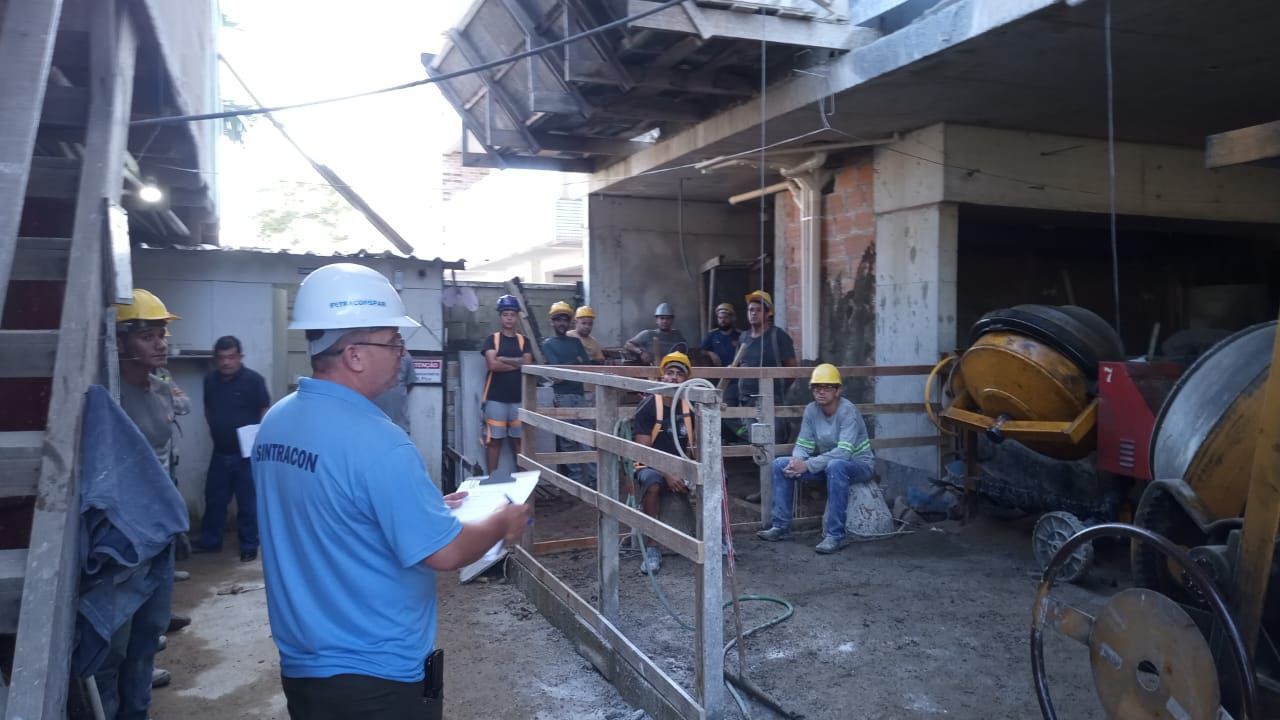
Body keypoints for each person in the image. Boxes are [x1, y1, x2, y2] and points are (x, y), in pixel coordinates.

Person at [253, 263, 532, 719]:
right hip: (376, 676)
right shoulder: (380, 442)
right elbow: (445, 553)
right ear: (355, 355)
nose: (402, 354)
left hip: (302, 666)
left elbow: (328, 509)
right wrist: (503, 521)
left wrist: (421, 508)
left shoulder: (276, 422)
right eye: (393, 341)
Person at [103, 288, 187, 711]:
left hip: (160, 537)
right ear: (120, 342)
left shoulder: (160, 389)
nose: (160, 344)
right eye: (147, 335)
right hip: (124, 541)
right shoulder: (108, 398)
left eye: (161, 335)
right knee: (112, 649)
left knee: (147, 638)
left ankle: (137, 710)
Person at [757, 364, 875, 554]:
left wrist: (808, 465)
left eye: (827, 387)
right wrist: (796, 462)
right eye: (816, 387)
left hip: (858, 465)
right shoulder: (812, 410)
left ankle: (835, 535)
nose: (821, 391)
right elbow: (803, 444)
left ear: (838, 390)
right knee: (780, 464)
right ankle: (781, 526)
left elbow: (844, 452)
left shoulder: (848, 411)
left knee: (836, 465)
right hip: (828, 466)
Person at [193, 335, 271, 562]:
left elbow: (264, 409)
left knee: (247, 501)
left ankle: (249, 545)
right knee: (214, 498)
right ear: (215, 359)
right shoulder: (210, 381)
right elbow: (208, 408)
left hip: (246, 453)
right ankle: (211, 540)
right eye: (221, 358)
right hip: (220, 451)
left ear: (240, 357)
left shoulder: (254, 380)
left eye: (231, 357)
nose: (226, 362)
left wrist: (257, 441)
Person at [629, 351, 696, 574]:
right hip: (651, 466)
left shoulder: (691, 407)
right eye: (669, 372)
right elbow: (643, 451)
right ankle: (652, 548)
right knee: (653, 484)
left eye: (679, 373)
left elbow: (698, 446)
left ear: (686, 379)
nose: (673, 377)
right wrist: (668, 474)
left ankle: (715, 540)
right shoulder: (649, 405)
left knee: (714, 482)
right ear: (662, 376)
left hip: (682, 465)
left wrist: (692, 473)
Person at [541, 301, 597, 488]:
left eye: (565, 319)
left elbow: (586, 366)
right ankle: (576, 482)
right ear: (552, 321)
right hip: (561, 397)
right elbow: (557, 373)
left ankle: (594, 482)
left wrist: (569, 368)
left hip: (579, 395)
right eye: (558, 319)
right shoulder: (548, 344)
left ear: (569, 322)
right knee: (567, 440)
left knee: (587, 438)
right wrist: (574, 365)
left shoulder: (575, 342)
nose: (562, 323)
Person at [731, 290, 797, 443]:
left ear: (768, 314)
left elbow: (792, 370)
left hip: (772, 400)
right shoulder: (744, 337)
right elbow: (738, 365)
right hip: (747, 400)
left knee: (775, 441)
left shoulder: (778, 336)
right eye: (750, 310)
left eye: (758, 310)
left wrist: (778, 388)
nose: (753, 313)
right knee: (755, 443)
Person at [481, 294, 533, 474]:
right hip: (496, 399)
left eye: (512, 314)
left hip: (519, 400)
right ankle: (493, 481)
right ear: (500, 316)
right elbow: (492, 365)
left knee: (520, 442)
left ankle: (523, 483)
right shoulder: (492, 340)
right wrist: (517, 363)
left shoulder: (524, 341)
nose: (509, 318)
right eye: (505, 314)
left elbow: (528, 364)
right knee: (494, 442)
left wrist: (504, 359)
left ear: (517, 316)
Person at [624, 302, 688, 365]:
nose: (665, 321)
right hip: (650, 369)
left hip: (670, 369)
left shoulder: (677, 336)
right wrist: (641, 352)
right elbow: (627, 345)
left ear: (672, 320)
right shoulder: (648, 334)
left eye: (668, 318)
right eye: (662, 318)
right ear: (656, 320)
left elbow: (683, 352)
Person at [372, 352, 416, 432]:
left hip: (399, 424)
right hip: (373, 424)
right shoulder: (369, 355)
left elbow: (410, 383)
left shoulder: (405, 356)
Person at [701, 302, 741, 366]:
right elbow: (702, 351)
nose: (722, 320)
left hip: (735, 370)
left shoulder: (740, 335)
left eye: (725, 317)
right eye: (720, 318)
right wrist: (710, 353)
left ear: (732, 318)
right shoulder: (712, 334)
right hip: (717, 370)